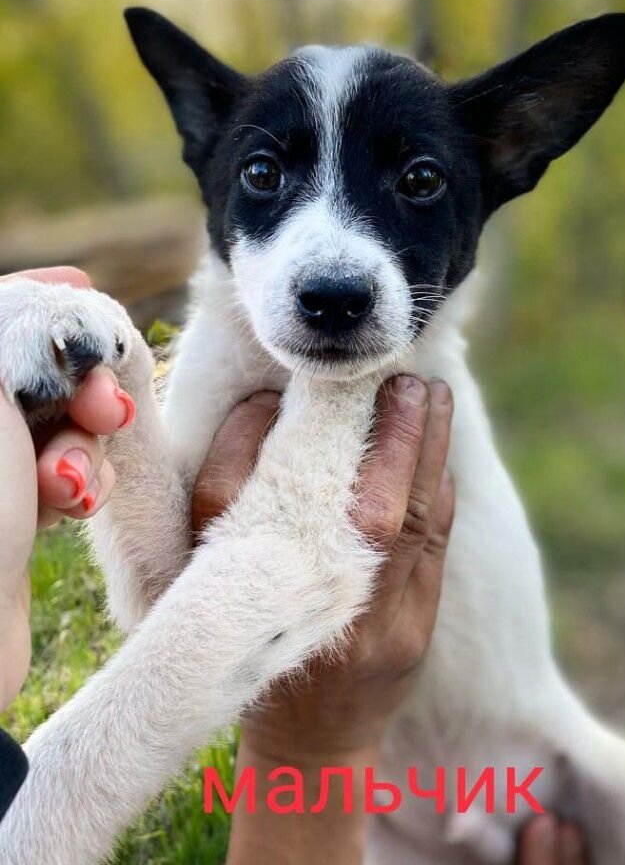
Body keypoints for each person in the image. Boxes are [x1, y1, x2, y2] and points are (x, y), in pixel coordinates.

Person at [0, 268, 587, 864]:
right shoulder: (230, 321)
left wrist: (51, 803)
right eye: (262, 169)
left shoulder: (392, 342)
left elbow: (282, 565)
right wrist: (108, 356)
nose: (333, 267)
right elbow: (167, 593)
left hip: (534, 778)